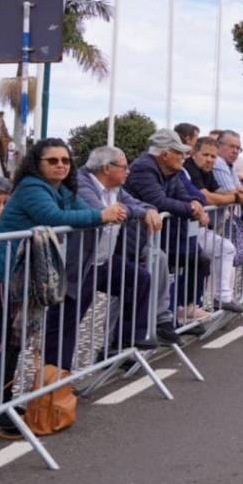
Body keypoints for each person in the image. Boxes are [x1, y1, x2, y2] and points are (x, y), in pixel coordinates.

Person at [0, 139, 127, 439]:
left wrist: (101, 213)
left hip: (24, 275)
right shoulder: (32, 188)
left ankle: (5, 402)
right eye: (53, 160)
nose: (61, 165)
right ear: (38, 163)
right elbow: (56, 218)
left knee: (16, 340)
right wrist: (101, 216)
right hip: (4, 271)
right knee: (2, 341)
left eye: (65, 160)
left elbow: (82, 209)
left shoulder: (60, 189)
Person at [68, 146, 168, 355]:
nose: (128, 171)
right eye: (124, 167)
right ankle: (57, 378)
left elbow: (136, 204)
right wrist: (137, 212)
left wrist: (147, 210)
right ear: (107, 168)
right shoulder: (82, 183)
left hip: (103, 260)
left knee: (139, 280)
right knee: (66, 323)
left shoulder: (116, 188)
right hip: (80, 263)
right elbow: (102, 213)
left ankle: (125, 339)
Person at [126, 129, 212, 326]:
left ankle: (173, 314)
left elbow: (186, 196)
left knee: (199, 259)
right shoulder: (144, 169)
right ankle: (148, 327)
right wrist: (192, 209)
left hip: (155, 237)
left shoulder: (170, 171)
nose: (183, 157)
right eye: (179, 152)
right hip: (134, 240)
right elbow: (159, 201)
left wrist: (193, 204)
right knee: (131, 289)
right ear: (165, 154)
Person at [184, 137, 243, 314]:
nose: (209, 160)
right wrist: (236, 198)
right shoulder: (189, 169)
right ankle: (187, 307)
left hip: (198, 227)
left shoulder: (207, 171)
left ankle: (221, 297)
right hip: (183, 228)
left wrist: (242, 194)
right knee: (197, 262)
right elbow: (206, 197)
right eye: (205, 155)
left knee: (224, 249)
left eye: (213, 156)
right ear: (194, 153)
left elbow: (219, 191)